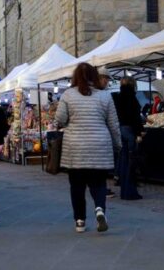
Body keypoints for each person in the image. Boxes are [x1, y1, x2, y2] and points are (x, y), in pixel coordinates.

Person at [55, 63, 122, 233]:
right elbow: (113, 124)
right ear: (94, 76)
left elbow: (60, 119)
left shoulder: (68, 95)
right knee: (98, 183)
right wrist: (117, 144)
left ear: (75, 77)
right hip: (99, 145)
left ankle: (80, 221)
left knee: (76, 186)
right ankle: (99, 209)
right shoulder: (105, 96)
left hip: (75, 148)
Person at [113, 77, 144, 200]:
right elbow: (134, 117)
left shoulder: (117, 97)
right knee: (131, 161)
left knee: (124, 160)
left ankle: (124, 190)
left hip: (120, 130)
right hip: (129, 130)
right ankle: (130, 191)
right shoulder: (131, 98)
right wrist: (139, 132)